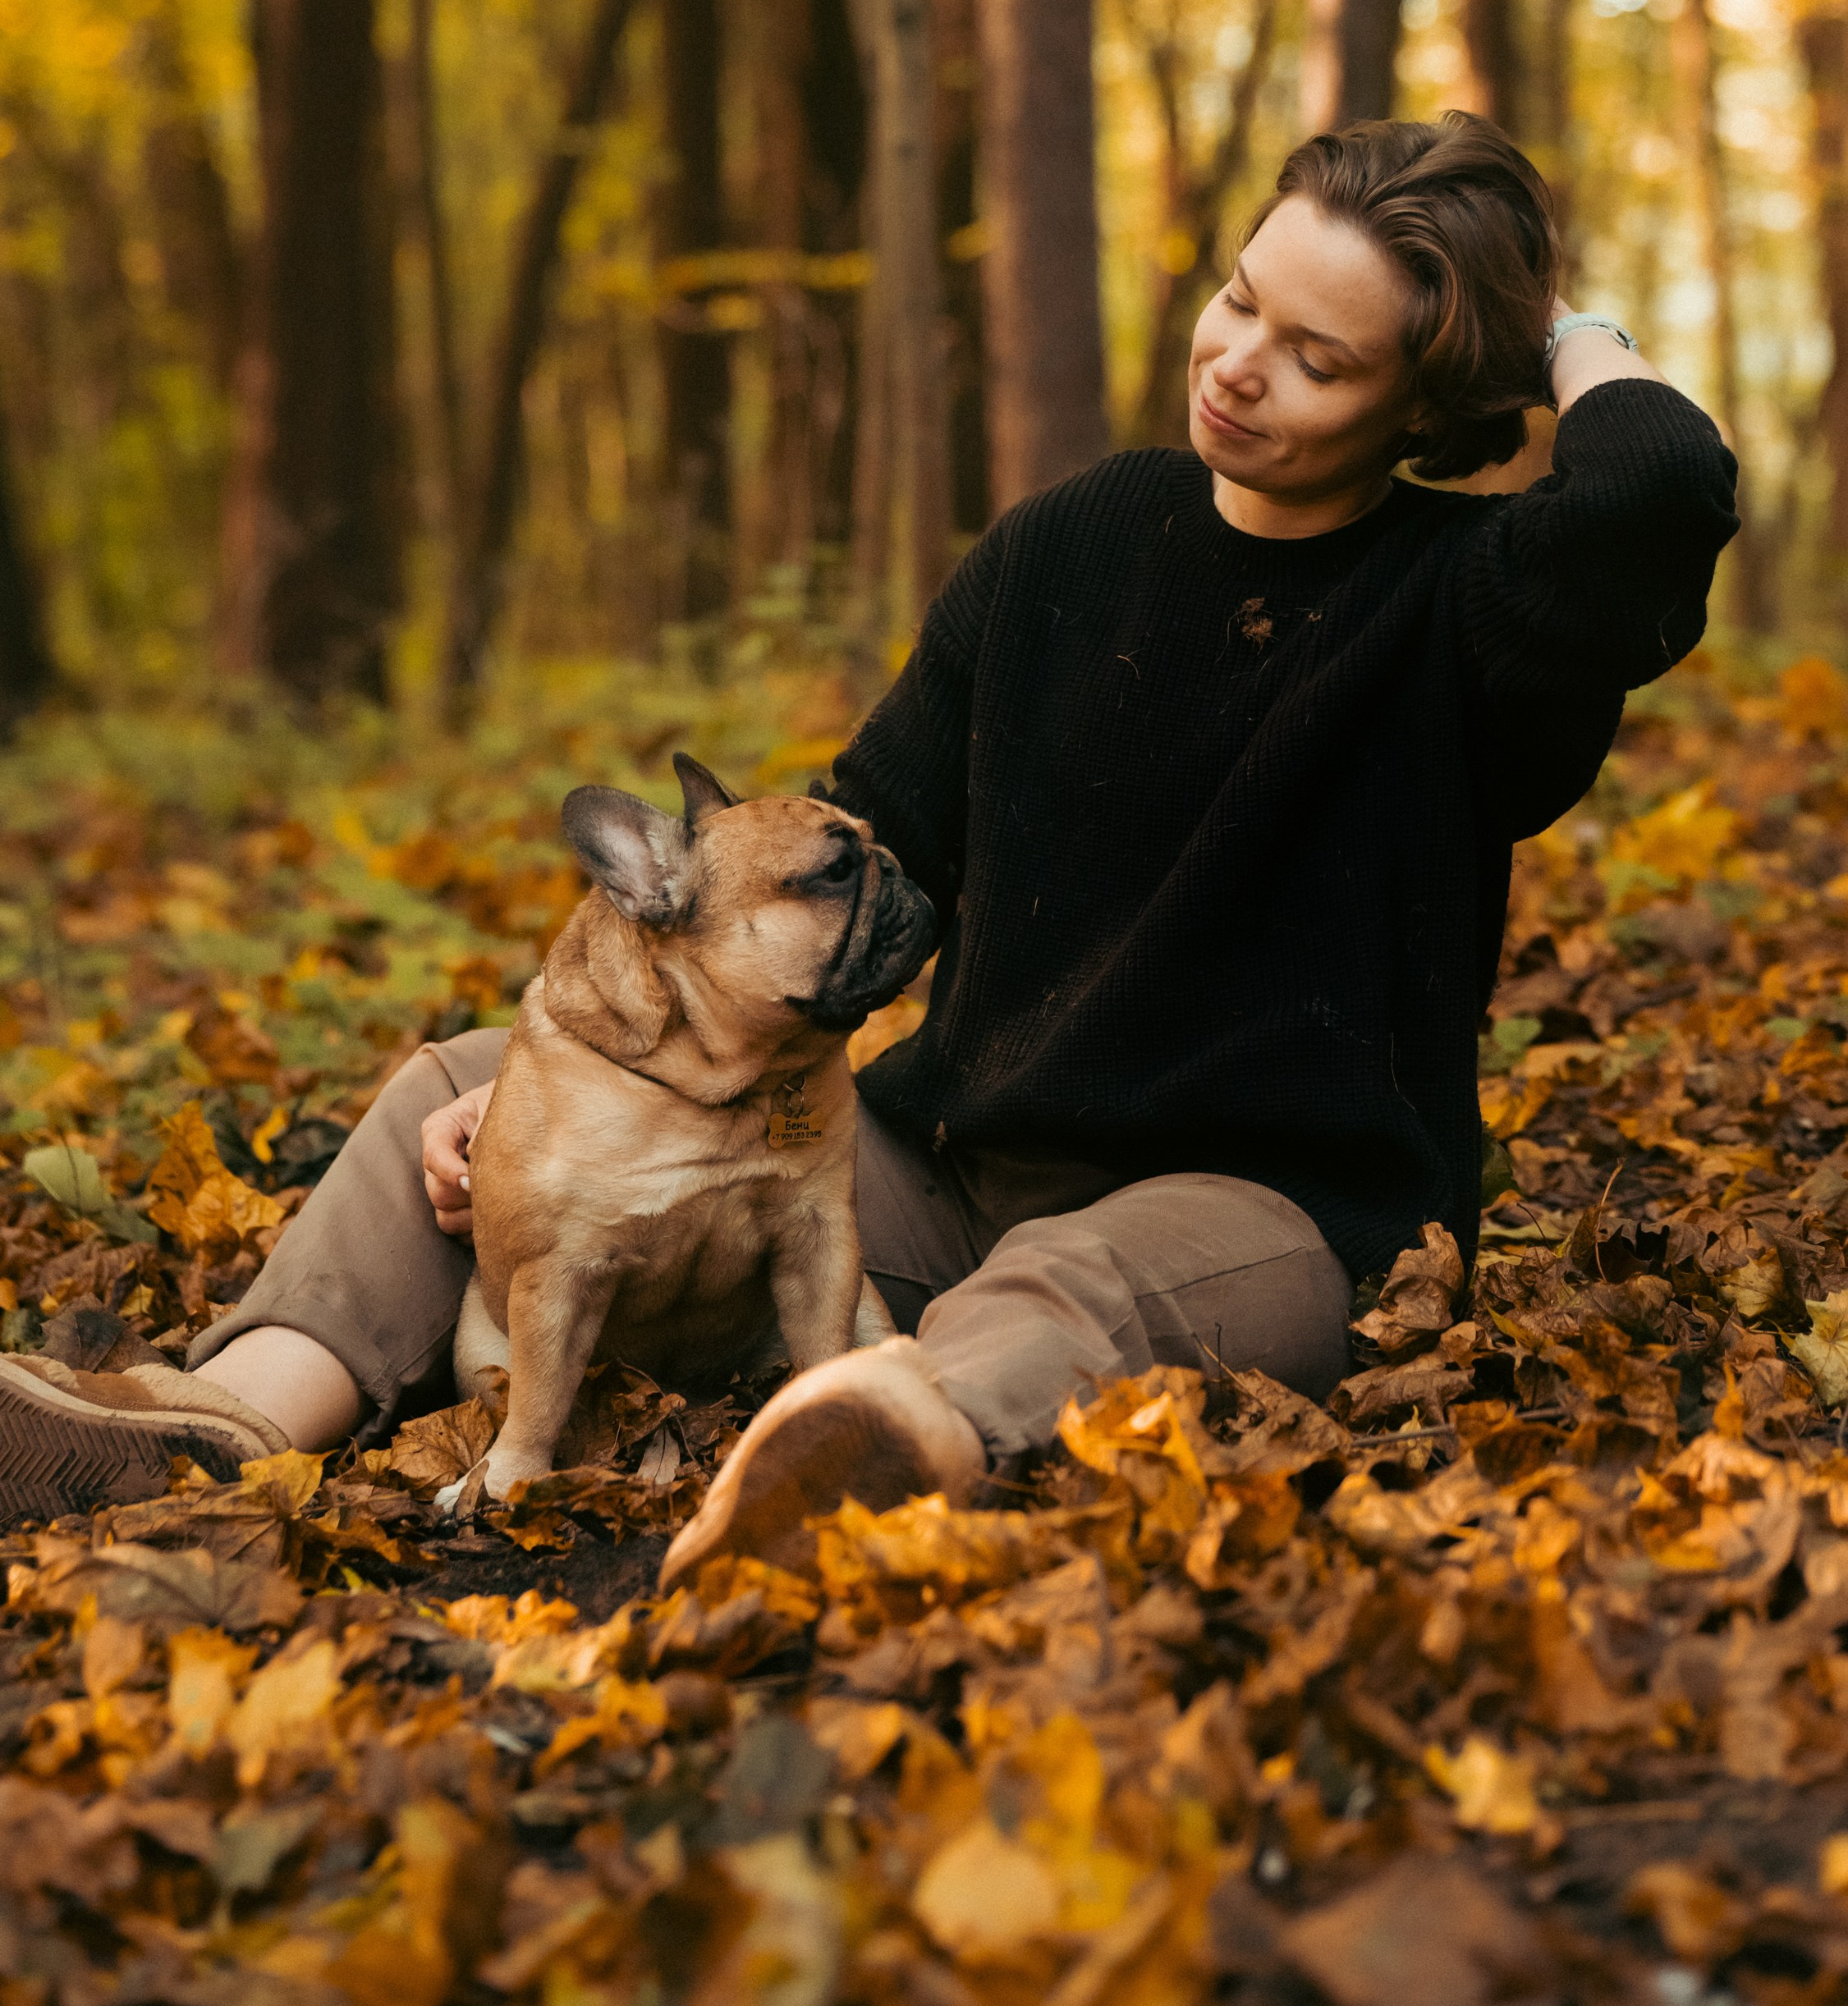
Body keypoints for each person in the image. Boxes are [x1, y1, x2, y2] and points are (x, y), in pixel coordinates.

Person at [0, 116, 1737, 1555]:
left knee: (1083, 1274)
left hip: (1270, 1205)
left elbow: (1656, 487)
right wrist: (576, 1082)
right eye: (1236, 299)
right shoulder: (1068, 542)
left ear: (1419, 404)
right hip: (942, 1163)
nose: (1236, 364)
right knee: (460, 1080)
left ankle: (857, 1443)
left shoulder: (1466, 612)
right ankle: (236, 1421)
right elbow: (862, 831)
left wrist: (1559, 331)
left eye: (1317, 353)